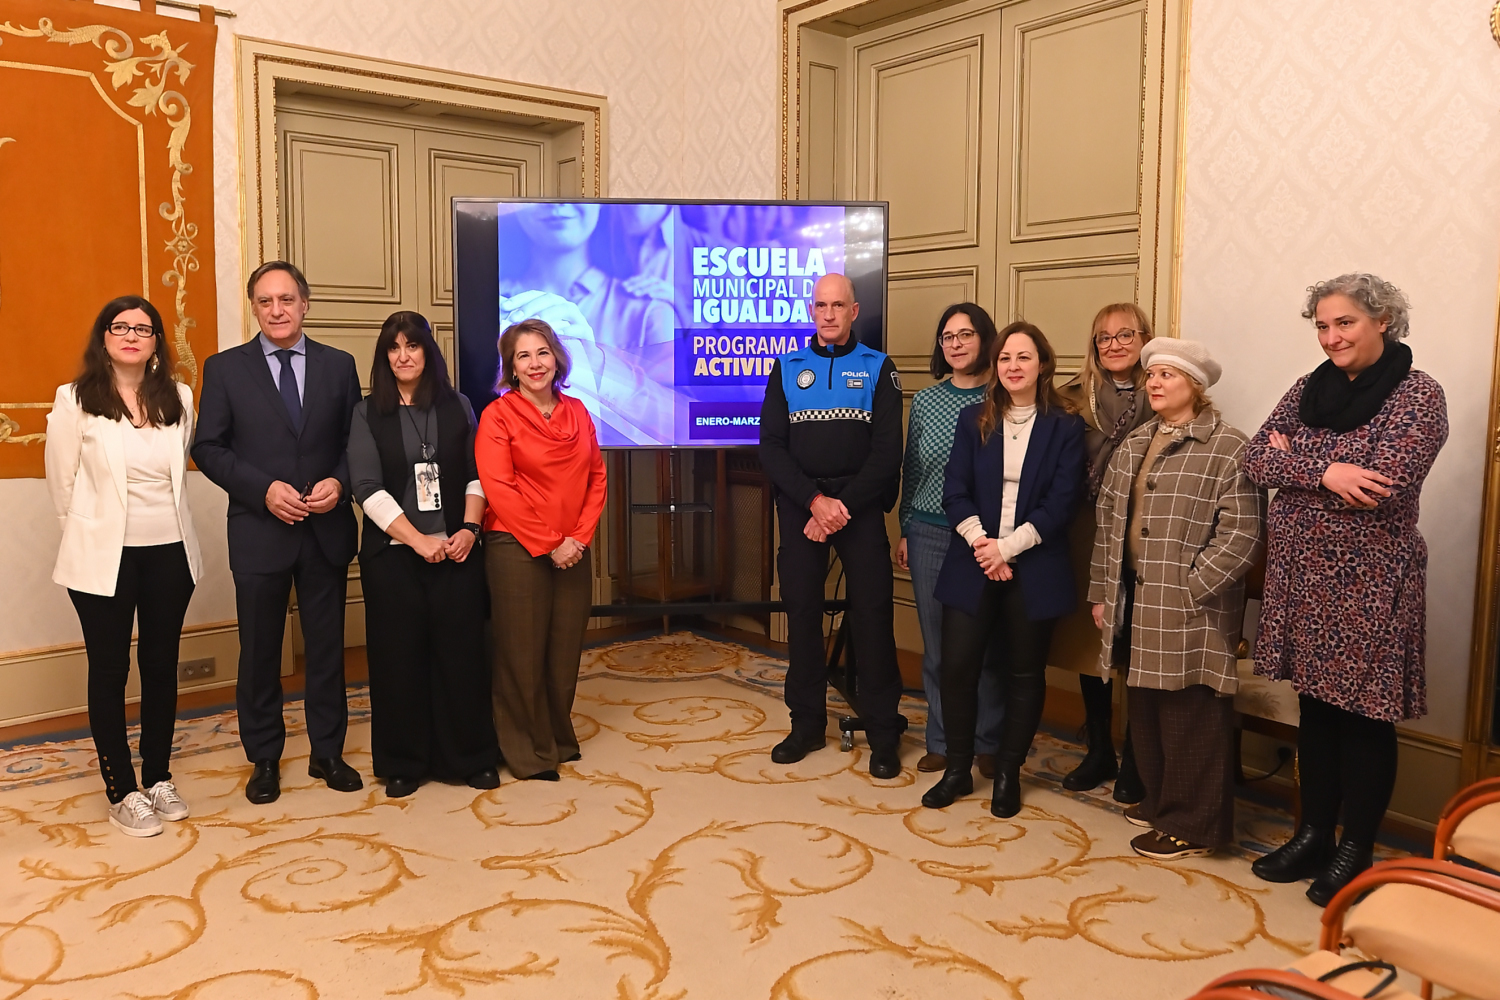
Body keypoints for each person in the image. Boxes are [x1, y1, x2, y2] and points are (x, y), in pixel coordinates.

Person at [1245, 274, 1447, 905]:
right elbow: (1255, 458)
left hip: (1370, 582)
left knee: (1363, 718)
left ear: (1382, 319)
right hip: (1302, 577)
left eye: (1345, 323)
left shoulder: (1419, 394)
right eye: (1322, 326)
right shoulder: (1310, 388)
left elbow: (1382, 483)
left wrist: (1298, 460)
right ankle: (1313, 834)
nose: (1331, 337)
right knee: (1315, 709)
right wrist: (1329, 468)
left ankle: (1356, 845)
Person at [192, 260, 364, 805]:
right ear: (254, 308)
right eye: (265, 301)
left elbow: (353, 443)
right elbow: (208, 447)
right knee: (260, 650)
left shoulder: (340, 365)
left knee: (327, 649)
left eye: (286, 299)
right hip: (259, 530)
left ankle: (327, 752)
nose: (277, 310)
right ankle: (264, 757)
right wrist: (262, 489)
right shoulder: (225, 368)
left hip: (326, 529)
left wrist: (340, 482)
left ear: (305, 304)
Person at [1089, 340, 1264, 860]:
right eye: (1152, 375)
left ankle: (1192, 824)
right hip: (1134, 598)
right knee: (1145, 705)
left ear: (1197, 385)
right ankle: (1162, 801)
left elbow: (1243, 535)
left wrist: (1192, 588)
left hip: (1192, 606)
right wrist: (1102, 591)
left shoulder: (1229, 446)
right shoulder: (1136, 442)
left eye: (1168, 374)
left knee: (1190, 710)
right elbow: (1107, 526)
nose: (1155, 383)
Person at [45, 296, 203, 837]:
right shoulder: (75, 401)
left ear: (158, 341)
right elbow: (62, 486)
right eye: (121, 326)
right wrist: (91, 537)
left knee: (162, 667)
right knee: (110, 672)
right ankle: (122, 790)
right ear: (104, 337)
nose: (132, 335)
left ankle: (157, 776)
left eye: (144, 328)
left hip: (170, 552)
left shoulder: (179, 397)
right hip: (103, 559)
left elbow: (177, 474)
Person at [921, 322, 1086, 816]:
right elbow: (954, 490)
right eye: (1005, 358)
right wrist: (982, 545)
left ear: (1042, 365)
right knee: (957, 667)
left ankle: (1008, 773)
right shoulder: (973, 420)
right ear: (995, 367)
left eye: (1024, 357)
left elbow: (1063, 503)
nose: (1013, 366)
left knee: (1023, 672)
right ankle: (957, 769)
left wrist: (1007, 549)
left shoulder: (1065, 426)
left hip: (1033, 562)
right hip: (974, 558)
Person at [759, 272, 906, 779]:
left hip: (859, 507)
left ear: (854, 310)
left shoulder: (877, 368)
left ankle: (884, 731)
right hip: (804, 504)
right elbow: (772, 448)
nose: (828, 314)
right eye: (820, 305)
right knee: (801, 613)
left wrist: (839, 506)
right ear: (811, 310)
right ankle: (805, 725)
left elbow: (889, 454)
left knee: (872, 615)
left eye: (837, 305)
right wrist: (815, 502)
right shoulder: (786, 367)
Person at [347, 311, 500, 798]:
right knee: (399, 661)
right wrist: (418, 540)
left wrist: (470, 531)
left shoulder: (459, 406)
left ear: (428, 352)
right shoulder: (366, 412)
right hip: (394, 556)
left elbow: (479, 475)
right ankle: (403, 763)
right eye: (393, 348)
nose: (403, 355)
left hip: (458, 551)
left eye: (412, 345)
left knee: (463, 658)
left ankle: (471, 757)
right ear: (384, 357)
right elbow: (366, 487)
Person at [477, 318, 607, 781]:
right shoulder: (498, 416)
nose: (535, 364)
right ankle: (525, 752)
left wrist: (579, 538)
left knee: (563, 651)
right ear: (511, 367)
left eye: (543, 353)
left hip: (573, 546)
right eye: (523, 356)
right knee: (521, 653)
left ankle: (555, 737)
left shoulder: (577, 412)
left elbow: (596, 477)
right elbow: (500, 488)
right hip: (516, 546)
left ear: (557, 358)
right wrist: (551, 543)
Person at [1054, 303, 1155, 800]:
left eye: (1125, 335)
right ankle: (1098, 749)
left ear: (1145, 338)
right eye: (1103, 338)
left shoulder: (1164, 391)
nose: (1114, 345)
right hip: (1084, 530)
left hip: (1143, 535)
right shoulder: (1070, 398)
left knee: (1140, 643)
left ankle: (1138, 754)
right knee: (1089, 642)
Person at [896, 303, 1003, 777]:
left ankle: (986, 741)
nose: (956, 344)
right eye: (947, 336)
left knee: (987, 645)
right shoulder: (925, 401)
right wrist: (904, 527)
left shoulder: (1004, 398)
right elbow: (913, 468)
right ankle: (940, 738)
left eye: (966, 334)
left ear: (985, 340)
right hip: (929, 533)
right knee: (938, 645)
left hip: (986, 539)